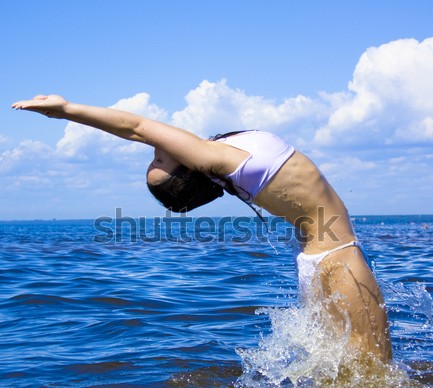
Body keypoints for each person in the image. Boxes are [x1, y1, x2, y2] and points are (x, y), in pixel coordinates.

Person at [11, 94, 392, 362]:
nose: (159, 147)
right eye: (161, 156)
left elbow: (148, 131)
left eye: (157, 156)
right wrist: (65, 110)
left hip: (321, 261)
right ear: (188, 166)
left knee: (348, 380)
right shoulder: (217, 160)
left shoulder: (223, 159)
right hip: (337, 262)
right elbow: (137, 127)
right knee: (374, 385)